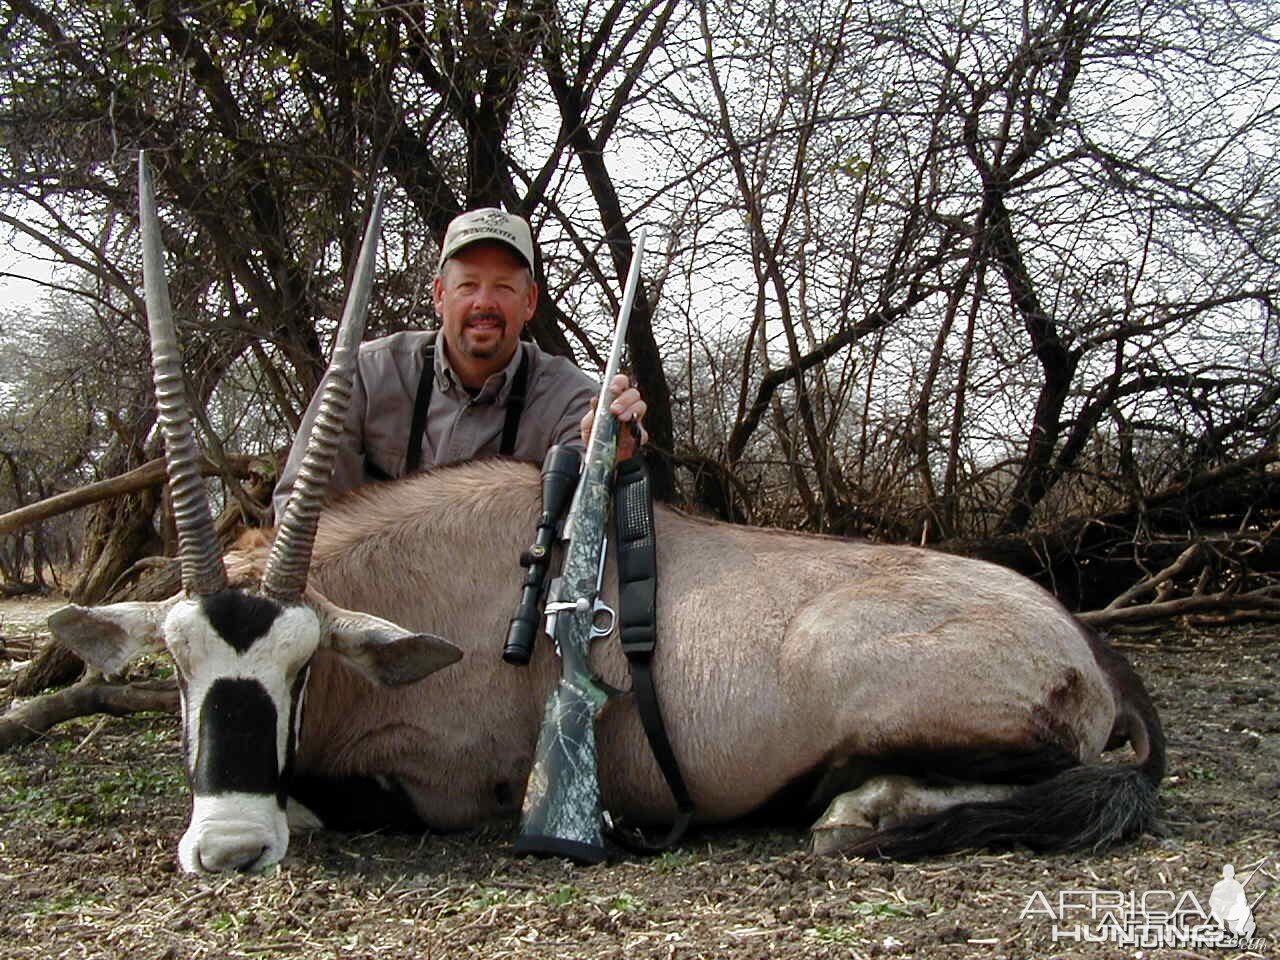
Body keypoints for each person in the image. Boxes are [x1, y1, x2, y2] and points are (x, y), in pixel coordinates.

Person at [273, 207, 647, 519]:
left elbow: (590, 523)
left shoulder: (572, 400)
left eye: (503, 286)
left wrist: (613, 459)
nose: (484, 302)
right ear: (439, 295)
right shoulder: (367, 374)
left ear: (530, 301)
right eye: (468, 285)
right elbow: (299, 508)